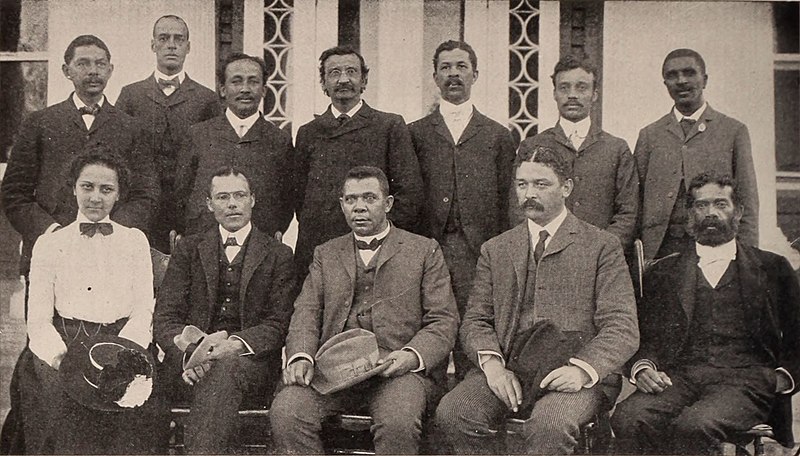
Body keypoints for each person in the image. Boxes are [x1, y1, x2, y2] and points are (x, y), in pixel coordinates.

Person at [435, 146, 639, 454]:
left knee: (550, 425)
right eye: (522, 184)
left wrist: (582, 370)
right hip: (510, 368)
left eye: (541, 184)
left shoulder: (601, 246)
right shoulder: (497, 249)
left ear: (566, 187)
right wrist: (492, 365)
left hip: (574, 373)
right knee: (454, 412)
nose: (530, 193)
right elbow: (476, 320)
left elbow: (622, 326)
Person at [269, 166, 458, 454]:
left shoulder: (423, 251)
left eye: (369, 198)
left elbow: (443, 320)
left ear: (388, 203)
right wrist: (301, 356)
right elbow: (306, 312)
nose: (359, 207)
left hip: (398, 373)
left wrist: (411, 355)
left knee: (398, 423)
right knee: (287, 410)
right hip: (333, 370)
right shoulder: (326, 253)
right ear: (342, 205)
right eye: (351, 199)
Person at [611, 172, 800, 454]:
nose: (710, 213)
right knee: (628, 417)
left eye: (721, 204)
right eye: (701, 205)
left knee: (694, 425)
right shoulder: (665, 272)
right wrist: (644, 368)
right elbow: (646, 336)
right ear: (690, 213)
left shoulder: (773, 268)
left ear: (739, 211)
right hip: (681, 378)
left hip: (746, 382)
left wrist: (783, 378)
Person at [16, 152, 159, 454]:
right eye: (87, 187)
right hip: (63, 345)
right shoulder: (50, 243)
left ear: (119, 194)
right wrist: (61, 360)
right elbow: (39, 320)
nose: (96, 197)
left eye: (106, 189)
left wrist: (123, 358)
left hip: (121, 346)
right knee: (60, 406)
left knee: (132, 411)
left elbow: (143, 309)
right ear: (73, 188)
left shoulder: (134, 241)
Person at [153, 166, 297, 453]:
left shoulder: (278, 254)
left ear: (252, 200)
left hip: (250, 367)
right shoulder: (188, 249)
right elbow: (165, 317)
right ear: (209, 204)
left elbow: (278, 323)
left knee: (226, 370)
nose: (232, 203)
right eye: (222, 197)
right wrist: (190, 357)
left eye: (239, 195)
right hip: (188, 366)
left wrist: (233, 346)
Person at [1, 34, 158, 277]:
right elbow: (14, 193)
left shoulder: (133, 128)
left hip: (113, 255)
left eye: (100, 64)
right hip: (51, 253)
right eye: (83, 64)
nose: (93, 71)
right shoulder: (39, 123)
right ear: (67, 70)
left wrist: (113, 230)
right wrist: (51, 231)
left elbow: (146, 195)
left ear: (110, 70)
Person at [408, 40, 516, 379]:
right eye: (446, 67)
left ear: (475, 74)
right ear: (435, 76)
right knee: (429, 331)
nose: (454, 74)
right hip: (429, 250)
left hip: (478, 253)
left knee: (476, 330)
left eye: (461, 67)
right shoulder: (415, 133)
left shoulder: (498, 135)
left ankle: (468, 410)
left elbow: (507, 202)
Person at [293, 46, 423, 279]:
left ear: (364, 80)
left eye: (351, 72)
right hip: (320, 247)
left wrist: (377, 234)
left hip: (374, 249)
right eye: (334, 73)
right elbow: (299, 198)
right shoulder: (308, 133)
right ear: (323, 83)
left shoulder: (389, 126)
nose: (343, 79)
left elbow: (409, 192)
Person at [635, 48, 758, 260]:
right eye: (672, 75)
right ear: (665, 83)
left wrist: (748, 257)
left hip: (715, 247)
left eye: (689, 73)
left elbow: (747, 200)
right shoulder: (650, 135)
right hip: (660, 250)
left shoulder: (732, 131)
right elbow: (636, 201)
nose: (681, 81)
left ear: (705, 79)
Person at [116, 15, 220, 252]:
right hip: (141, 209)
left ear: (188, 46)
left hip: (189, 211)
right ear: (153, 45)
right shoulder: (131, 96)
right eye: (164, 38)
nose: (171, 45)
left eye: (178, 39)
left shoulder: (206, 99)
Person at [515, 55, 638, 251]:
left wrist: (600, 250)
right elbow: (518, 206)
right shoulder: (532, 146)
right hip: (543, 254)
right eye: (564, 87)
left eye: (582, 87)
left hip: (600, 260)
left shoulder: (616, 149)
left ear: (594, 94)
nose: (572, 95)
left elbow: (628, 212)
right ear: (554, 93)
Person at [174, 53, 293, 239]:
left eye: (253, 82)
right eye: (236, 82)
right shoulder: (198, 135)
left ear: (263, 90)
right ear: (222, 89)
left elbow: (286, 201)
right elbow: (181, 192)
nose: (245, 89)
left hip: (259, 244)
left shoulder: (279, 140)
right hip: (203, 241)